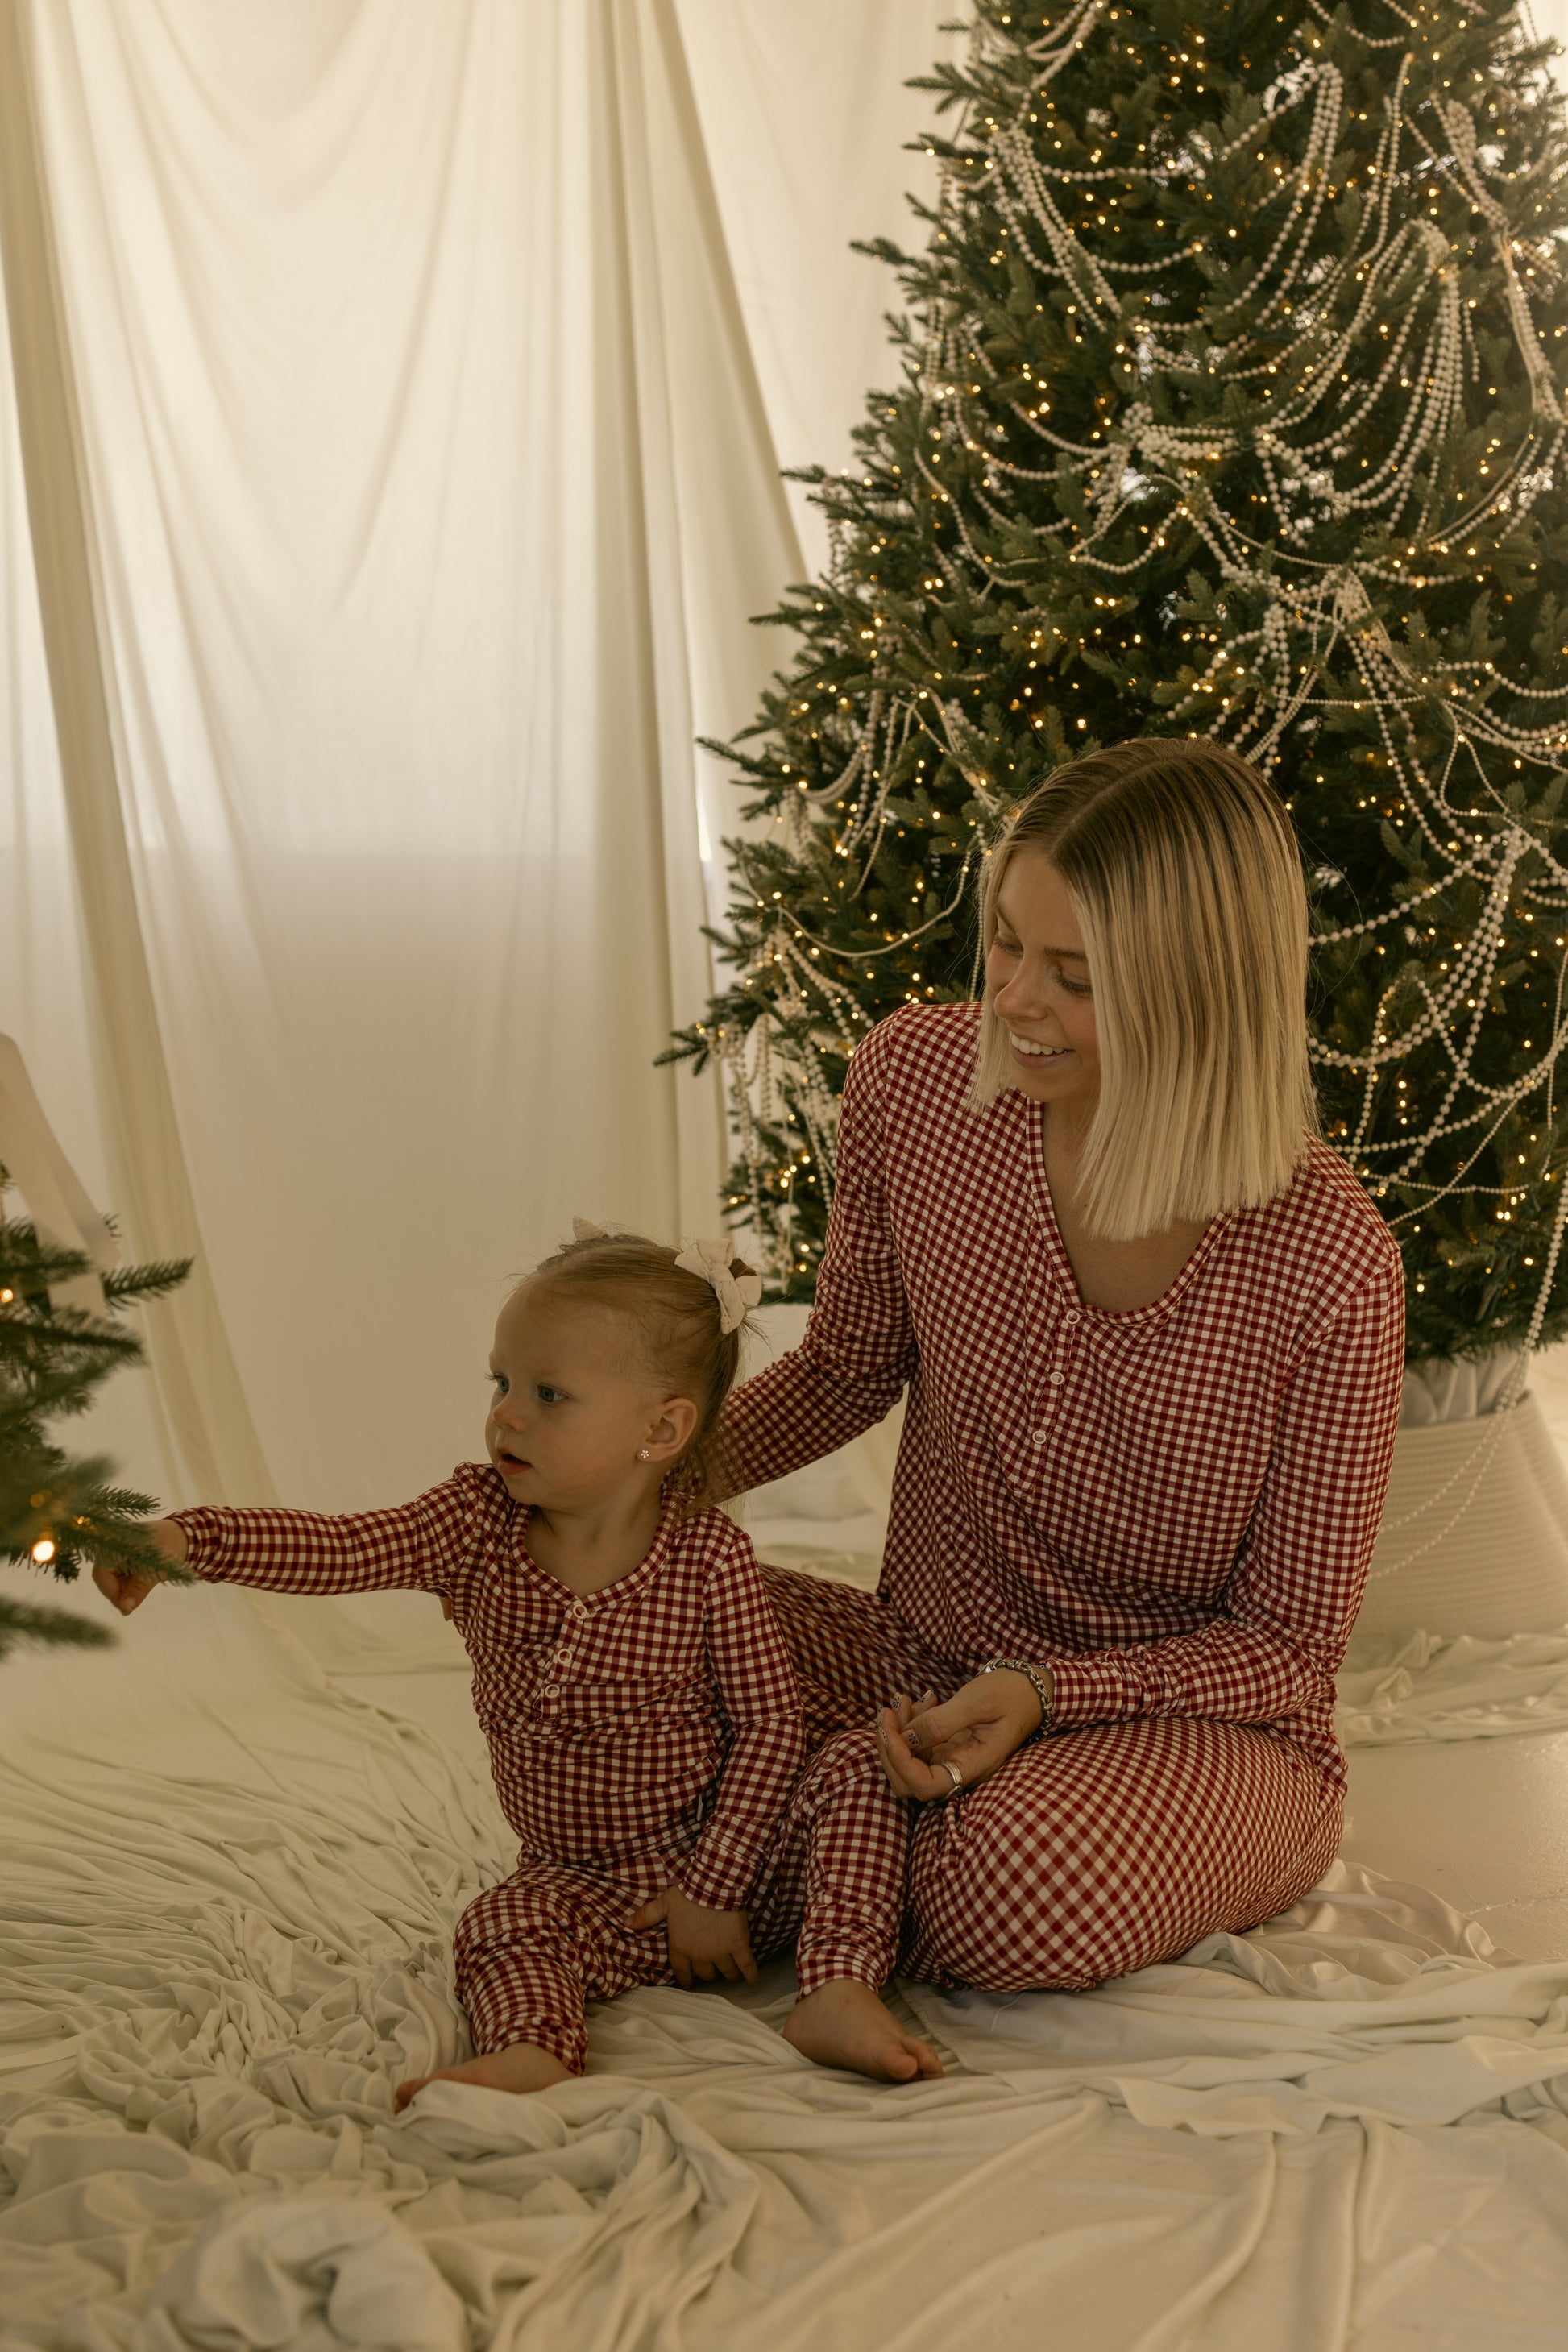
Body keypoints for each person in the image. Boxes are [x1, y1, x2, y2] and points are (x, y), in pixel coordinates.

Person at [721, 736, 1407, 2084]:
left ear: (1193, 994)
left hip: (1196, 1731)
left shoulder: (1329, 1261)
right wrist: (630, 1493)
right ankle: (857, 1833)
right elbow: (845, 1367)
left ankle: (824, 1845)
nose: (1014, 1000)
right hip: (919, 1661)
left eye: (1074, 976)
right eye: (1004, 944)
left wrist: (1050, 1692)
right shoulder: (913, 1084)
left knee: (1016, 1884)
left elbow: (1284, 1647)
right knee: (653, 1643)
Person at [93, 1225, 805, 2101]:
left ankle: (842, 1982)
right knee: (499, 1922)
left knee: (852, 1784)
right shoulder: (476, 1526)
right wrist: (189, 1540)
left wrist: (714, 1884)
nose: (506, 1412)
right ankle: (533, 2050)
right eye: (501, 1382)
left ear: (660, 1429)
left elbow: (771, 1727)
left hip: (730, 1870)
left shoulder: (706, 1557)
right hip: (579, 1880)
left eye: (549, 1394)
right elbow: (342, 1548)